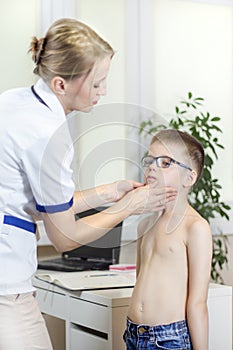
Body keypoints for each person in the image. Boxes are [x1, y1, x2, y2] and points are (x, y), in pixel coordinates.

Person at [0, 19, 177, 350]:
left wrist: (106, 193)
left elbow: (37, 201)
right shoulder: (46, 134)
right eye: (96, 83)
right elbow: (64, 236)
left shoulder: (14, 102)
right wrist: (129, 206)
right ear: (61, 84)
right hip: (6, 285)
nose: (104, 91)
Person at [123, 129, 213, 350]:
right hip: (134, 334)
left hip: (168, 340)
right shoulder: (145, 224)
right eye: (150, 160)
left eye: (165, 163)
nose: (153, 166)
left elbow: (197, 303)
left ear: (189, 178)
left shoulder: (195, 227)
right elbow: (140, 279)